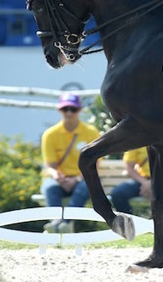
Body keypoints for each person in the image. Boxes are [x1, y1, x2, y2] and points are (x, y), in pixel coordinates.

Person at [40, 93, 101, 233]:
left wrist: (77, 179)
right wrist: (58, 177)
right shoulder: (50, 134)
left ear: (79, 110)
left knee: (84, 188)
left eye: (72, 109)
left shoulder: (91, 132)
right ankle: (58, 223)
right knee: (50, 188)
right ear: (59, 110)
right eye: (65, 109)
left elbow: (95, 164)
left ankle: (60, 225)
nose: (69, 113)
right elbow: (50, 166)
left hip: (83, 178)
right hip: (59, 178)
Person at [110, 146, 163, 215]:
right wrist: (146, 183)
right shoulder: (136, 140)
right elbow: (129, 167)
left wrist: (154, 184)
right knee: (118, 194)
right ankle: (130, 224)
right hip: (141, 180)